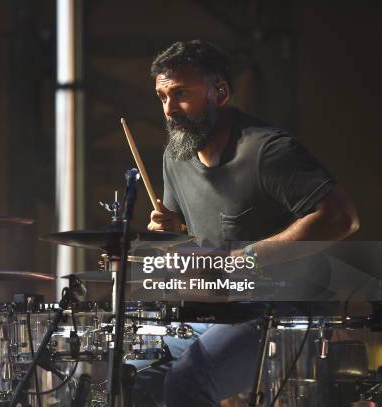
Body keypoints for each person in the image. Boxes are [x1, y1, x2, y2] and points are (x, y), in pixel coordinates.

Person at [145, 40, 360, 406]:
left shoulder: (268, 150)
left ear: (220, 92)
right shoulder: (175, 157)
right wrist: (171, 236)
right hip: (213, 308)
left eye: (181, 94)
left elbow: (342, 219)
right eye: (163, 96)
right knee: (134, 375)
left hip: (281, 309)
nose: (169, 110)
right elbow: (188, 241)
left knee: (187, 380)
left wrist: (245, 259)